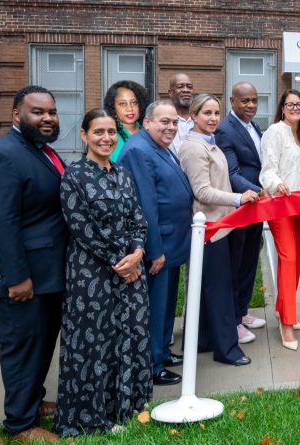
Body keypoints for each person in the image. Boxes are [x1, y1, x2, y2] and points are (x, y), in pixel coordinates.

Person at [0, 85, 68, 443]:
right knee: (22, 346)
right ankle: (20, 424)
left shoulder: (40, 151)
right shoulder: (0, 155)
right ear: (16, 115)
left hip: (47, 273)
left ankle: (33, 401)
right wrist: (16, 277)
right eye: (37, 112)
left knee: (41, 343)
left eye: (52, 112)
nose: (47, 118)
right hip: (23, 277)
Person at [54, 109, 152, 435]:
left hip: (130, 270)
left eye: (111, 132)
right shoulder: (73, 176)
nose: (106, 138)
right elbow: (82, 228)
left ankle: (125, 406)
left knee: (129, 337)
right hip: (92, 274)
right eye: (99, 132)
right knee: (96, 344)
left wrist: (137, 253)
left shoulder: (122, 174)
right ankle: (92, 417)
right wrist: (122, 262)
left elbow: (138, 218)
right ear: (84, 135)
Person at [118, 99, 194, 386]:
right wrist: (154, 249)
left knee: (166, 304)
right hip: (158, 245)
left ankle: (162, 349)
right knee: (155, 306)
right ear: (147, 122)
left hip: (172, 242)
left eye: (174, 122)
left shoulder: (158, 147)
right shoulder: (138, 150)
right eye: (164, 121)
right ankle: (152, 365)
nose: (171, 127)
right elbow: (145, 203)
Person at [178, 94, 257, 364]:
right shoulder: (193, 148)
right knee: (219, 291)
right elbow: (202, 191)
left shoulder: (209, 143)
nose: (212, 119)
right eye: (206, 113)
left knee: (207, 289)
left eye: (216, 113)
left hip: (219, 226)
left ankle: (202, 341)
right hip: (209, 228)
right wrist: (238, 198)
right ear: (193, 116)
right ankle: (228, 351)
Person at [259, 89, 300, 351]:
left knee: (295, 260)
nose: (294, 107)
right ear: (282, 108)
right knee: (288, 258)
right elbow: (268, 169)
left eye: (299, 104)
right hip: (281, 204)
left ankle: (282, 309)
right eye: (290, 104)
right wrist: (277, 185)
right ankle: (287, 324)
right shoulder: (275, 132)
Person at [217, 81, 268, 345]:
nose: (250, 105)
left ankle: (244, 311)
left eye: (254, 100)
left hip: (256, 208)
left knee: (250, 261)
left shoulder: (253, 126)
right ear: (232, 102)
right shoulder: (225, 129)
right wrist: (260, 192)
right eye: (245, 101)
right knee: (236, 265)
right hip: (242, 205)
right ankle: (234, 321)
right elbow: (233, 173)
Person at [103, 80, 150, 162]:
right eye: (122, 104)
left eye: (134, 103)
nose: (130, 108)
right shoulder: (107, 136)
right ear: (113, 107)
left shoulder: (149, 131)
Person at [168, 73, 195, 157]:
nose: (186, 90)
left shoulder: (200, 120)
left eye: (189, 87)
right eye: (180, 87)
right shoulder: (163, 122)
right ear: (170, 93)